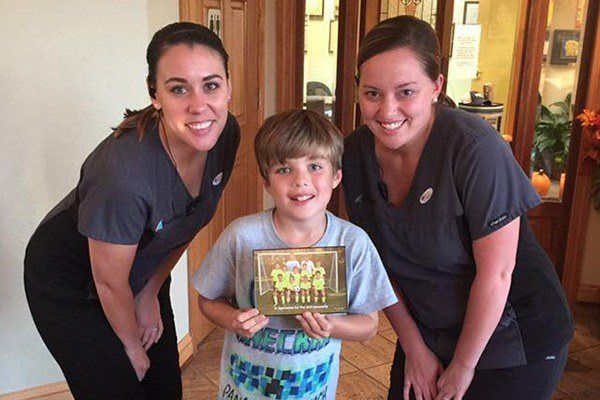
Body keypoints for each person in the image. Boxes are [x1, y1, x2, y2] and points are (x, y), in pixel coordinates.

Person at [342, 15, 573, 400]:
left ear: (436, 87)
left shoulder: (475, 149)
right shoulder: (353, 155)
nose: (387, 111)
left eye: (406, 92)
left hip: (514, 334)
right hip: (428, 332)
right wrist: (415, 349)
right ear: (357, 93)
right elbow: (376, 264)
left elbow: (497, 274)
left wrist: (464, 367)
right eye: (372, 94)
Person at [24, 22, 239, 399]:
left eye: (211, 85)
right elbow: (108, 281)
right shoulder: (123, 173)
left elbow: (191, 219)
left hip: (140, 266)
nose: (199, 105)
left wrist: (151, 290)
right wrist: (131, 345)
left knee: (164, 388)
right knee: (122, 385)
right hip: (72, 283)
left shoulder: (224, 135)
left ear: (228, 87)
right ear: (154, 94)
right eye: (178, 88)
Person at [193, 109, 397, 400]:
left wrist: (332, 325)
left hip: (313, 391)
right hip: (243, 391)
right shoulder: (242, 236)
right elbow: (207, 300)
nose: (300, 181)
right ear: (266, 182)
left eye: (315, 166)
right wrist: (232, 319)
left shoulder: (354, 243)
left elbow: (369, 327)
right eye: (284, 169)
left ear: (337, 176)